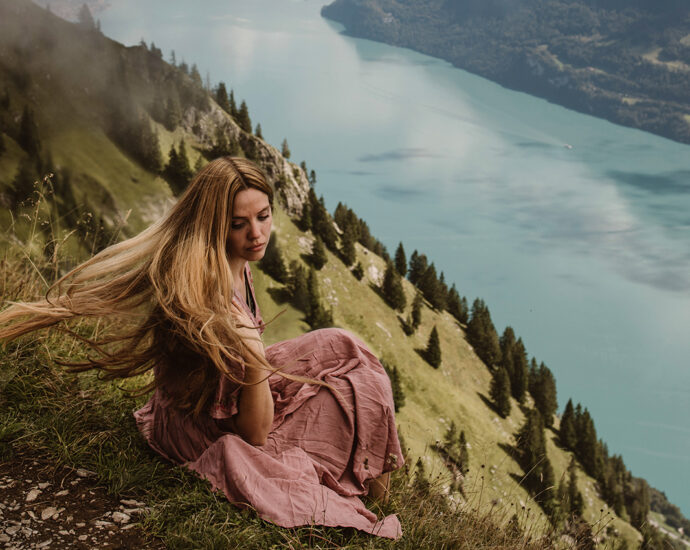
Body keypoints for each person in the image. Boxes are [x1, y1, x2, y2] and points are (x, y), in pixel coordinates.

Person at [0, 156, 404, 539]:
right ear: (215, 225)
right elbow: (256, 433)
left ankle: (380, 489)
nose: (257, 234)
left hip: (226, 394)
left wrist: (252, 353)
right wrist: (252, 353)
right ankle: (373, 497)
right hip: (202, 429)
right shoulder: (206, 295)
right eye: (239, 224)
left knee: (346, 346)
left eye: (263, 217)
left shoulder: (228, 258)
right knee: (334, 397)